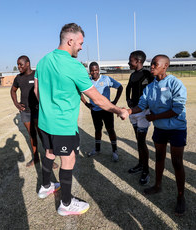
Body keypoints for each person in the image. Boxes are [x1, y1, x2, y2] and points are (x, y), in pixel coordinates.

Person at [34, 23, 129, 216]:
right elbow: (98, 99)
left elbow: (37, 91)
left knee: (50, 152)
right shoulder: (74, 66)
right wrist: (119, 110)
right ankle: (66, 204)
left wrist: (49, 108)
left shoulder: (43, 60)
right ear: (70, 41)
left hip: (44, 122)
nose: (81, 47)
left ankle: (45, 186)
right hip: (62, 126)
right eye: (80, 43)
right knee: (68, 160)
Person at [128, 55, 187, 216]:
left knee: (176, 162)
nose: (151, 67)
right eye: (151, 64)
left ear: (165, 65)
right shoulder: (150, 87)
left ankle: (181, 196)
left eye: (155, 64)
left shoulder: (175, 83)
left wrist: (154, 117)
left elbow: (177, 109)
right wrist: (128, 111)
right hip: (160, 129)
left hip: (177, 129)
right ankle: (157, 185)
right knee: (159, 157)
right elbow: (141, 105)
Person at [10, 56, 58, 169]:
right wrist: (16, 104)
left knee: (42, 134)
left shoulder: (37, 74)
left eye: (21, 64)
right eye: (18, 65)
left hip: (38, 110)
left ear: (27, 64)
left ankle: (49, 160)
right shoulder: (18, 78)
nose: (19, 67)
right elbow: (12, 90)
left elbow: (48, 87)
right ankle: (36, 158)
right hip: (25, 112)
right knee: (32, 134)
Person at [81, 62, 123, 162]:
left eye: (95, 70)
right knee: (97, 130)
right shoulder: (87, 81)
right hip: (95, 111)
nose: (94, 72)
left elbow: (120, 87)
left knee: (110, 130)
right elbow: (79, 91)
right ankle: (97, 149)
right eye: (91, 70)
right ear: (89, 71)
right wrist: (87, 104)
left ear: (99, 70)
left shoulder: (106, 79)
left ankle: (115, 151)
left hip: (107, 110)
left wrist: (115, 101)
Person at [126, 50, 154, 185]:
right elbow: (128, 88)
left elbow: (154, 91)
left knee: (142, 142)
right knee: (138, 140)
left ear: (138, 61)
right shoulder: (132, 75)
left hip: (143, 112)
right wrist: (128, 100)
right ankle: (140, 164)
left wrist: (149, 107)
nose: (128, 62)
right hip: (133, 111)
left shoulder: (147, 74)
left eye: (130, 60)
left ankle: (146, 170)